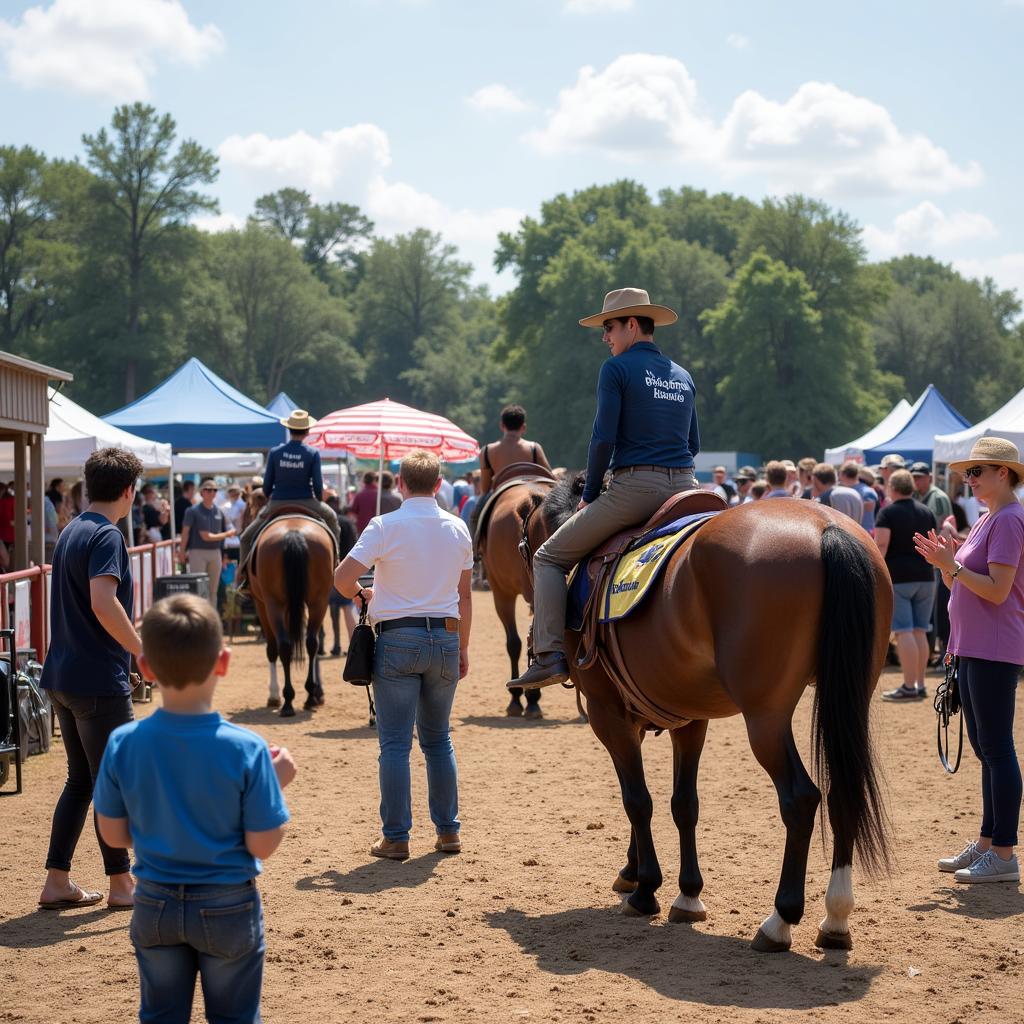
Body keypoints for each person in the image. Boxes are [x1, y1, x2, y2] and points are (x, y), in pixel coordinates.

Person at [93, 594, 295, 1021]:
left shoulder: (123, 743)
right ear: (222, 662)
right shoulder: (249, 749)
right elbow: (262, 844)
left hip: (154, 903)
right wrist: (272, 785)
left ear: (145, 667)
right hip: (228, 904)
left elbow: (113, 835)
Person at [510, 287, 699, 689]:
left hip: (636, 489)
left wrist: (590, 494)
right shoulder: (683, 376)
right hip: (688, 488)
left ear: (632, 324)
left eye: (608, 327)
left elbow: (602, 440)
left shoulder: (614, 370)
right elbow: (693, 445)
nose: (604, 337)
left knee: (547, 557)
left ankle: (548, 655)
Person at [334, 449, 473, 861]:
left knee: (395, 744)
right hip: (445, 637)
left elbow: (342, 578)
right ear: (437, 484)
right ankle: (448, 832)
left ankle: (396, 837)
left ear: (399, 484)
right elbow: (464, 596)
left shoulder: (383, 525)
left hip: (397, 639)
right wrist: (463, 646)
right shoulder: (457, 528)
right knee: (439, 740)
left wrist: (364, 593)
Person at [37, 447, 143, 912]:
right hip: (96, 679)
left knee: (81, 781)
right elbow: (104, 603)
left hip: (62, 673)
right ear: (128, 491)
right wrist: (143, 649)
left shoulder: (71, 531)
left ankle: (57, 880)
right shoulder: (108, 537)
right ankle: (122, 885)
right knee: (111, 782)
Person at [915, 437, 1024, 883]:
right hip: (973, 646)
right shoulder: (989, 519)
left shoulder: (1010, 520)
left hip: (994, 647)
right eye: (968, 474)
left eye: (977, 471)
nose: (970, 479)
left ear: (1004, 473)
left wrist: (952, 566)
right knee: (986, 749)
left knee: (996, 748)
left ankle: (1003, 853)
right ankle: (988, 843)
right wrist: (947, 563)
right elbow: (965, 582)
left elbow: (998, 590)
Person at [237, 410, 340, 578]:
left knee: (246, 538)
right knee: (333, 519)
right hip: (307, 501)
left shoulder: (275, 452)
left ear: (289, 429)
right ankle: (335, 563)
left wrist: (270, 495)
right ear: (307, 431)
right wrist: (319, 501)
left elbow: (267, 487)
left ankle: (244, 576)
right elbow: (318, 486)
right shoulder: (312, 453)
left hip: (278, 502)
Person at [874, 469, 937, 701]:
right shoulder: (926, 511)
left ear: (892, 487)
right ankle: (919, 683)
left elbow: (880, 545)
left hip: (898, 577)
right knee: (920, 630)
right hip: (926, 576)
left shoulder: (887, 512)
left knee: (903, 631)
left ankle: (909, 686)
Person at [179, 480, 233, 608]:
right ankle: (198, 620)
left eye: (214, 490)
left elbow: (228, 532)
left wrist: (224, 554)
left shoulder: (219, 511)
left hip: (215, 553)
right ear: (202, 492)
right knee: (197, 589)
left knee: (213, 591)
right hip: (197, 552)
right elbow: (187, 533)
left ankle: (210, 621)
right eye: (208, 490)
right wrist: (181, 552)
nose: (212, 492)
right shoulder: (192, 510)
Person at [478, 404, 552, 496]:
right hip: (529, 493)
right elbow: (549, 478)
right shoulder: (534, 448)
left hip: (500, 493)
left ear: (501, 425)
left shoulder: (487, 451)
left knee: (480, 504)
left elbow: (485, 489)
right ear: (524, 427)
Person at [839, 461, 877, 532]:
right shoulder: (867, 491)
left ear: (843, 474)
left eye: (839, 474)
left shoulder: (866, 492)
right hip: (850, 533)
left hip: (864, 534)